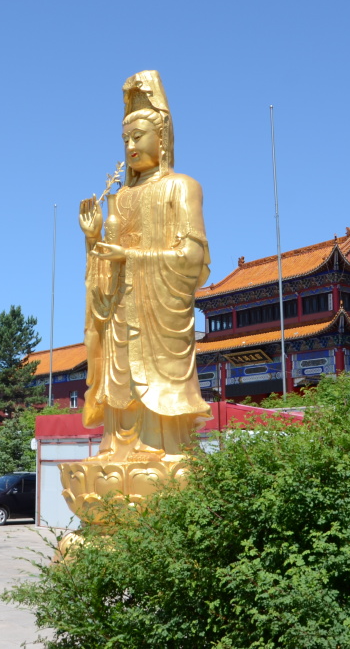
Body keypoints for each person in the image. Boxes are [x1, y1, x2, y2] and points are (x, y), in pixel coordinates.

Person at [78, 71, 211, 462]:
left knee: (152, 380)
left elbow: (193, 259)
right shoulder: (120, 198)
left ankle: (157, 446)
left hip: (159, 312)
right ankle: (116, 445)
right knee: (118, 379)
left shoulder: (181, 187)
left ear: (162, 137)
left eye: (138, 136)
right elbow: (104, 271)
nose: (131, 146)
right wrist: (93, 239)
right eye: (125, 140)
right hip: (120, 309)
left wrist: (132, 257)